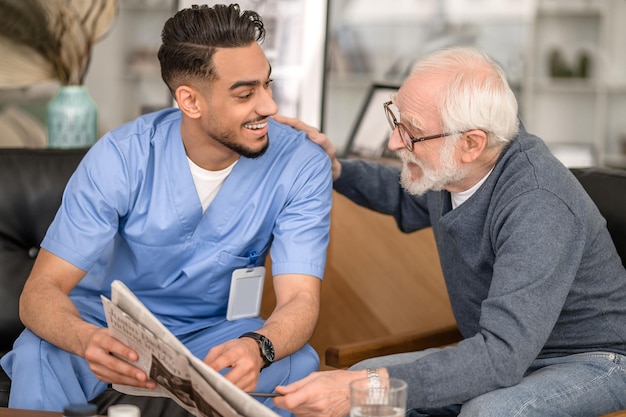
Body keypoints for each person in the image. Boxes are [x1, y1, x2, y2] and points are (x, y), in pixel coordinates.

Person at [0, 4, 332, 417]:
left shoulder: (301, 164)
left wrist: (258, 347)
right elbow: (39, 293)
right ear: (189, 101)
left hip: (214, 335)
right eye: (245, 94)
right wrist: (85, 339)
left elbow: (300, 298)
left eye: (268, 85)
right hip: (107, 326)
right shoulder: (121, 157)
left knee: (296, 365)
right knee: (38, 353)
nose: (268, 106)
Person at [272, 46, 626, 417]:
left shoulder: (538, 202)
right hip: (505, 351)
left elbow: (500, 357)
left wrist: (367, 385)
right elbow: (404, 194)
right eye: (396, 120)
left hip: (594, 360)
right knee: (363, 390)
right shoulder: (453, 170)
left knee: (487, 412)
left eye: (411, 132)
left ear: (471, 143)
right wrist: (335, 170)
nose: (394, 143)